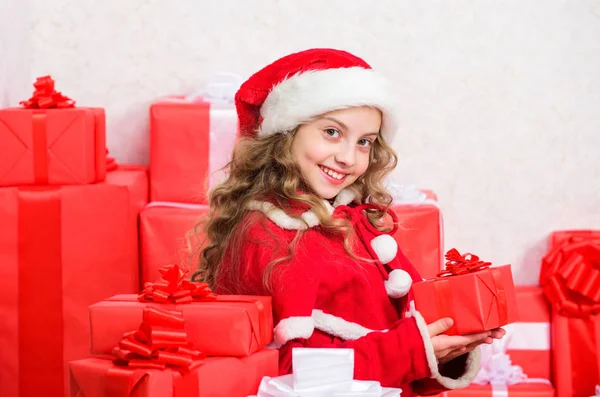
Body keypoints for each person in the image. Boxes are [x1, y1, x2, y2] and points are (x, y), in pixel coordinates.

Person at [192, 48, 505, 396]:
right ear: (286, 134)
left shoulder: (357, 221)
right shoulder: (265, 234)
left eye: (364, 142)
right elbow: (279, 377)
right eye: (331, 132)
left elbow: (405, 359)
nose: (347, 157)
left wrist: (447, 346)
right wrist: (410, 350)